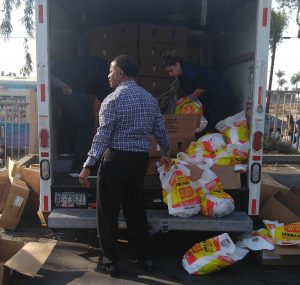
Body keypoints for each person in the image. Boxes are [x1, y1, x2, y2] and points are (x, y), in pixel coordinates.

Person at [79, 55, 171, 277]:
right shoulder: (150, 99)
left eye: (111, 71)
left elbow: (102, 135)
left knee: (108, 211)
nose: (108, 76)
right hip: (139, 160)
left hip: (116, 160)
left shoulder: (112, 100)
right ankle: (144, 256)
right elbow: (160, 128)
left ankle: (110, 260)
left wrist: (88, 164)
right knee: (135, 208)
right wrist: (165, 152)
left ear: (120, 73)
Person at [51, 56, 111, 177]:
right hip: (66, 81)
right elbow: (97, 108)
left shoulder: (100, 67)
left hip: (55, 75)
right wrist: (95, 132)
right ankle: (78, 168)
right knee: (85, 125)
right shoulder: (106, 78)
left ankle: (65, 150)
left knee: (71, 112)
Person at [163, 56, 237, 134]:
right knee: (206, 126)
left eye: (171, 70)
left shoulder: (189, 70)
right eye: (168, 72)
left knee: (212, 126)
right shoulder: (181, 76)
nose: (170, 74)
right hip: (214, 102)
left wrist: (191, 97)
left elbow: (202, 86)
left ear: (178, 65)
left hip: (223, 98)